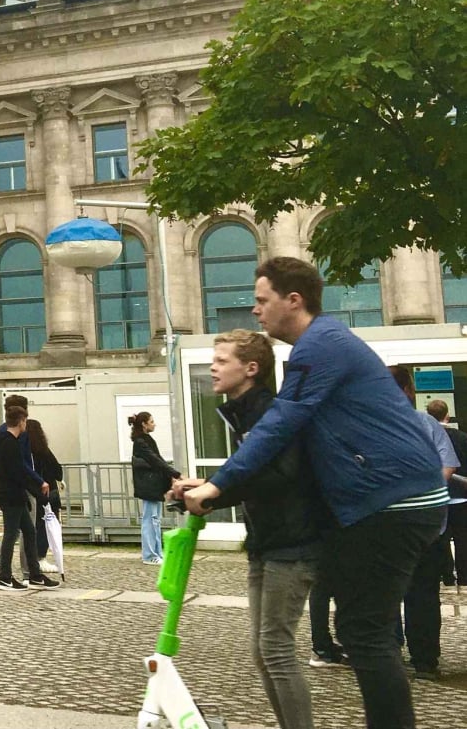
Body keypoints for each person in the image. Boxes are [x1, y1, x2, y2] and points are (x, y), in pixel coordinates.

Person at [181, 257, 446, 729]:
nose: (256, 311)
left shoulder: (319, 346)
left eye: (263, 300)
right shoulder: (323, 345)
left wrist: (217, 484)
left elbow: (282, 424)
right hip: (392, 500)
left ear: (293, 300)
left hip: (391, 502)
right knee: (367, 630)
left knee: (364, 632)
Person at [176, 328, 326, 729]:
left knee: (276, 650)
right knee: (264, 652)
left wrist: (215, 491)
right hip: (267, 542)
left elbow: (282, 476)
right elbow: (254, 476)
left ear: (252, 368)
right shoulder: (246, 412)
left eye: (222, 360)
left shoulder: (269, 413)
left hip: (293, 544)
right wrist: (208, 492)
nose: (213, 366)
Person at [391, 367, 458, 682]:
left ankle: (402, 653)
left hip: (398, 524)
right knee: (420, 593)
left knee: (395, 591)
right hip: (422, 523)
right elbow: (448, 466)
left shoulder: (422, 423)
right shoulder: (426, 423)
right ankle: (423, 659)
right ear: (407, 389)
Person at [0, 406, 57, 591]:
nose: (26, 424)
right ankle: (4, 577)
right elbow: (18, 469)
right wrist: (37, 484)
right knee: (11, 534)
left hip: (14, 493)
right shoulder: (8, 442)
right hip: (10, 494)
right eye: (25, 421)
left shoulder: (9, 440)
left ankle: (34, 575)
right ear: (20, 421)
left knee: (29, 531)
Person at [426, 398, 467, 586]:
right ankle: (465, 576)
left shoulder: (426, 437)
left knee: (441, 539)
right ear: (447, 415)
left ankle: (447, 576)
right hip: (461, 496)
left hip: (438, 495)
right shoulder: (462, 437)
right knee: (462, 538)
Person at [129, 411, 179, 564]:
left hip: (152, 485)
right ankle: (150, 555)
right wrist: (174, 473)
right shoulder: (141, 442)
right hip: (149, 485)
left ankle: (156, 553)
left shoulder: (145, 440)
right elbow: (155, 460)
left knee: (154, 519)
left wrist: (170, 474)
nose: (154, 424)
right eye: (151, 421)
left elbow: (157, 460)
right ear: (144, 424)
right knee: (150, 520)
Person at [25, 418, 63, 570]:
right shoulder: (44, 450)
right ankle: (41, 556)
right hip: (49, 491)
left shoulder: (27, 451)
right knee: (48, 525)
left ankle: (35, 557)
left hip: (34, 491)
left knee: (36, 525)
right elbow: (57, 470)